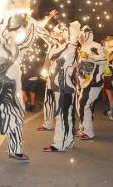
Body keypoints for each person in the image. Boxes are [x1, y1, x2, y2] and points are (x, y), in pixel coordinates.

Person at [0, 10, 56, 161]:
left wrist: (33, 22)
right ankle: (8, 151)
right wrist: (31, 23)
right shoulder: (12, 49)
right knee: (8, 120)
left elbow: (28, 40)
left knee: (4, 120)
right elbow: (29, 40)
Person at [43, 21, 81, 152]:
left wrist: (71, 31)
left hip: (65, 86)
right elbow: (52, 55)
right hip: (61, 86)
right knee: (67, 114)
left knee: (62, 115)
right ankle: (68, 140)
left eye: (58, 33)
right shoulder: (61, 46)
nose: (54, 35)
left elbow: (74, 34)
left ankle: (59, 144)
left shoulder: (70, 46)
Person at [75, 26, 105, 140]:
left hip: (93, 82)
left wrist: (90, 57)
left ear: (88, 34)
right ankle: (83, 128)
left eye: (82, 35)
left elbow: (103, 60)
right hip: (83, 83)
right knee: (81, 106)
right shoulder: (83, 47)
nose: (80, 38)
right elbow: (83, 66)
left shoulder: (95, 46)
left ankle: (88, 132)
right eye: (80, 36)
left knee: (84, 105)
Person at [102, 36, 113, 115]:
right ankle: (112, 109)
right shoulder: (111, 50)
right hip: (109, 73)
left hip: (108, 73)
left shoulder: (108, 50)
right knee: (110, 92)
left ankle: (112, 110)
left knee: (110, 93)